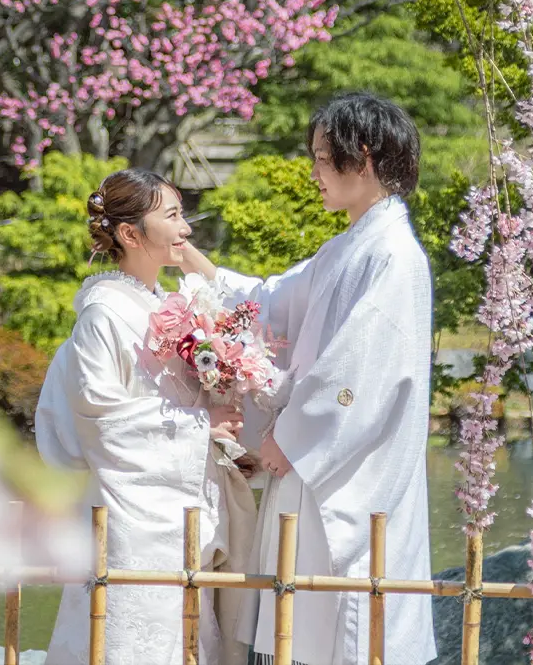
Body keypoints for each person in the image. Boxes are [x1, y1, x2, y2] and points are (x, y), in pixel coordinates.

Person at [178, 92, 435, 665]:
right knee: (308, 620)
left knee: (346, 617)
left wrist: (291, 438)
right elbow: (269, 304)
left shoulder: (394, 255)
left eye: (322, 159)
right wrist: (191, 260)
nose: (314, 172)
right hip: (315, 460)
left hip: (348, 467)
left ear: (362, 158)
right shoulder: (347, 248)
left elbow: (362, 374)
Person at [35, 167, 259, 664]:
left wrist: (221, 438)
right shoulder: (103, 313)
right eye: (172, 216)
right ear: (130, 234)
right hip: (133, 515)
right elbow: (101, 419)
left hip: (179, 502)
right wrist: (200, 428)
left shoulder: (167, 305)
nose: (186, 228)